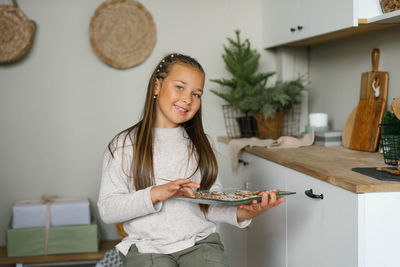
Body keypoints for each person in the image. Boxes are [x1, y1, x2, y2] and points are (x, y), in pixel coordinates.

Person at [97, 53, 285, 267]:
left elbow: (210, 204)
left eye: (197, 94)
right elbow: (108, 209)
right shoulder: (124, 145)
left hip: (201, 243)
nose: (188, 99)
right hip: (146, 247)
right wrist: (157, 193)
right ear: (157, 86)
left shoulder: (202, 144)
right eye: (180, 87)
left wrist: (244, 212)